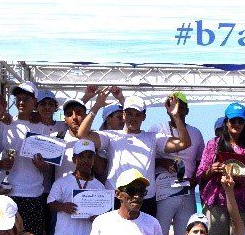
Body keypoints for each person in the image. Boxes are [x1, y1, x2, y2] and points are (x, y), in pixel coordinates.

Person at [79, 87, 191, 222]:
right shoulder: (111, 136)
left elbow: (184, 143)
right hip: (116, 198)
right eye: (130, 114)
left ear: (144, 117)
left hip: (145, 198)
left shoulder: (153, 137)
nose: (133, 118)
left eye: (138, 114)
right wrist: (96, 106)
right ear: (124, 115)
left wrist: (176, 116)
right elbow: (82, 135)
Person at [194, 102, 245, 235]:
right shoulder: (213, 144)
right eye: (233, 120)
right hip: (217, 203)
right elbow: (199, 175)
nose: (237, 124)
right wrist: (211, 170)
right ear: (226, 122)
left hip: (243, 206)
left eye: (241, 121)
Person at [0, 82, 55, 235]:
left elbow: (47, 167)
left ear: (34, 102)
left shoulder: (43, 128)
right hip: (7, 193)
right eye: (18, 98)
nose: (21, 102)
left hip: (33, 195)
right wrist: (1, 164)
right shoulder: (4, 124)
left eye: (26, 99)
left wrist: (41, 165)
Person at [46, 139, 110, 235]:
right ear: (74, 159)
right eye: (81, 156)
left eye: (89, 156)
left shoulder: (100, 187)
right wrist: (63, 206)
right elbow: (50, 203)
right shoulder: (62, 182)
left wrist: (97, 218)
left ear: (94, 160)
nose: (85, 160)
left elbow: (104, 217)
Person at [149, 91, 205, 235]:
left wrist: (195, 179)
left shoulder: (196, 133)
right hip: (163, 191)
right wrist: (163, 162)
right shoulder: (156, 128)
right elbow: (147, 159)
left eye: (180, 106)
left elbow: (201, 162)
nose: (175, 109)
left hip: (186, 190)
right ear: (167, 108)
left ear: (187, 110)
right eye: (171, 105)